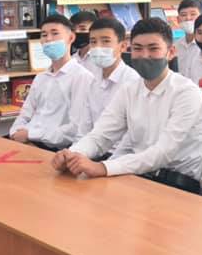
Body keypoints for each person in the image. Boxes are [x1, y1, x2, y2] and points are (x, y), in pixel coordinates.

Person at [50, 18, 202, 193]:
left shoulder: (186, 92)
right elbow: (100, 136)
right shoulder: (129, 90)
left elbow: (163, 153)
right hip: (138, 177)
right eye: (138, 48)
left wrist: (103, 167)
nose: (145, 55)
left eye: (153, 48)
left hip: (179, 185)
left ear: (171, 52)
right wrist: (72, 155)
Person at [9, 14, 94, 150]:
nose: (48, 39)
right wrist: (14, 133)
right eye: (44, 35)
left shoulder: (82, 77)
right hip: (26, 141)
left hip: (55, 148)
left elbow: (75, 128)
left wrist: (30, 135)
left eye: (55, 33)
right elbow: (25, 114)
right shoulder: (40, 77)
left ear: (71, 38)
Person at [80, 16, 141, 133]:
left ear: (122, 46)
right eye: (93, 42)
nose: (98, 47)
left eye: (106, 41)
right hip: (91, 142)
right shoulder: (91, 79)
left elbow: (133, 132)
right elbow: (84, 125)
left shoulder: (133, 82)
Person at [69, 10, 102, 78]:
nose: (77, 32)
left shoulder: (102, 58)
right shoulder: (72, 59)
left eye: (83, 29)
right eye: (73, 29)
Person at [175, 0, 202, 71]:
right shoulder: (176, 46)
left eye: (193, 14)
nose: (188, 18)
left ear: (201, 17)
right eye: (183, 15)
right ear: (178, 19)